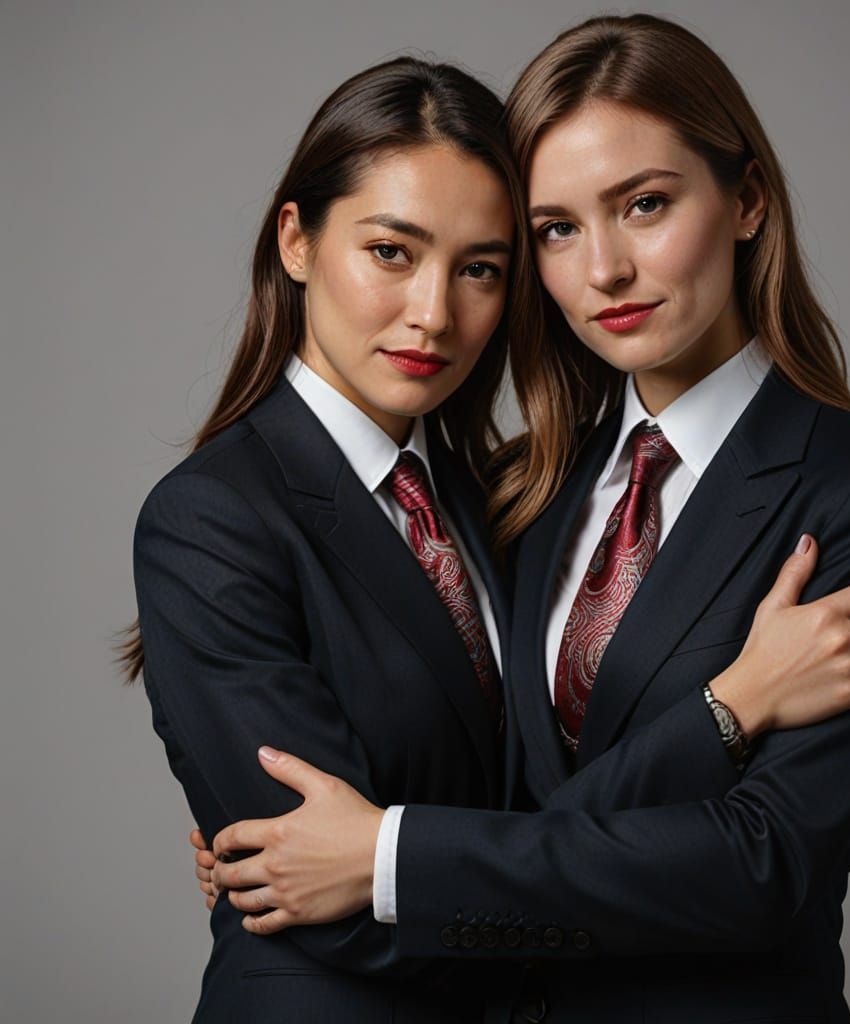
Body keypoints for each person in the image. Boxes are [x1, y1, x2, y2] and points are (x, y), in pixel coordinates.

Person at [191, 17, 850, 1023]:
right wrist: (272, 828)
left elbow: (760, 867)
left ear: (747, 199)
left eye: (644, 204)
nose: (602, 270)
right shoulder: (523, 493)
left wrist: (383, 856)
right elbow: (502, 808)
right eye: (555, 229)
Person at [127, 56, 525, 1023]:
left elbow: (569, 772)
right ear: (296, 240)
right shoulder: (213, 519)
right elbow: (326, 900)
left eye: (480, 268)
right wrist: (660, 887)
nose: (435, 312)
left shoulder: (507, 504)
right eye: (392, 250)